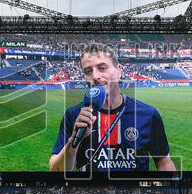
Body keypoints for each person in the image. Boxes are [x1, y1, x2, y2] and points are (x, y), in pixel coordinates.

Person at [50, 43, 176, 173]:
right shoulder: (74, 115)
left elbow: (164, 162)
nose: (95, 76)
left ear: (118, 71)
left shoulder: (148, 114)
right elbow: (55, 171)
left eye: (102, 68)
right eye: (88, 71)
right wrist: (72, 143)